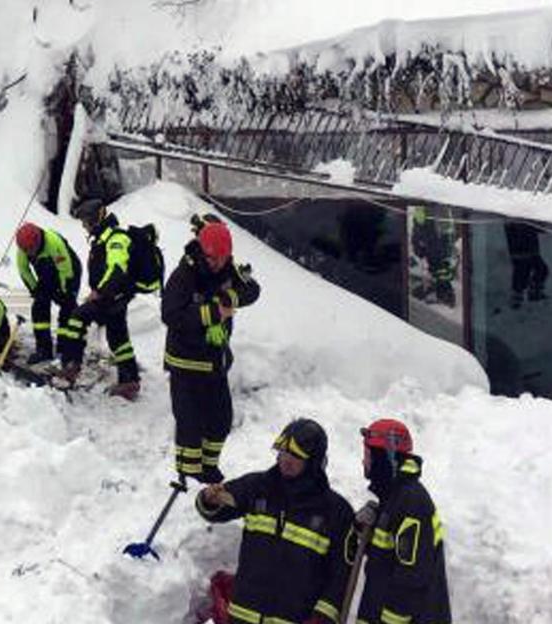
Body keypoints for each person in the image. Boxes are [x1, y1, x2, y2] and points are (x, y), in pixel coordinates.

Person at [196, 419, 356, 624]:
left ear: (314, 461)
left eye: (296, 456)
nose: (286, 460)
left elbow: (341, 575)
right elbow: (214, 509)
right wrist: (209, 499)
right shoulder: (257, 487)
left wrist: (323, 617)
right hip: (243, 617)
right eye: (283, 452)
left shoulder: (336, 511)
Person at [162, 214, 259, 483]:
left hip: (215, 361)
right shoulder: (184, 275)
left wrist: (232, 296)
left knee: (220, 419)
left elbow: (253, 289)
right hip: (185, 362)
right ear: (202, 252)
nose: (217, 264)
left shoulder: (228, 268)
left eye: (222, 259)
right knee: (189, 422)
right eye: (212, 258)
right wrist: (213, 312)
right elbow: (171, 315)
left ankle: (207, 466)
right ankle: (187, 473)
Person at [60, 198, 163, 398]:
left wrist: (99, 292)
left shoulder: (116, 239)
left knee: (76, 318)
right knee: (118, 338)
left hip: (111, 296)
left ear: (96, 219)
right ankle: (130, 380)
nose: (84, 226)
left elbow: (117, 269)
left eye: (86, 221)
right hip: (116, 295)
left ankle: (71, 367)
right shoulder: (103, 237)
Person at [355, 419, 451, 624]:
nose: (364, 462)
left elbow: (411, 578)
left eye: (368, 455)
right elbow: (386, 561)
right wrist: (364, 530)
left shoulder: (411, 502)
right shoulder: (393, 498)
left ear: (385, 457)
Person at [14, 222, 82, 365]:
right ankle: (44, 349)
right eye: (26, 251)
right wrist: (34, 289)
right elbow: (24, 270)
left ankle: (66, 347)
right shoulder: (23, 249)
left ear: (38, 241)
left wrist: (65, 291)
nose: (29, 253)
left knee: (68, 307)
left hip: (69, 271)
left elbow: (66, 270)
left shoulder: (53, 243)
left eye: (31, 249)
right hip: (46, 273)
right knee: (39, 307)